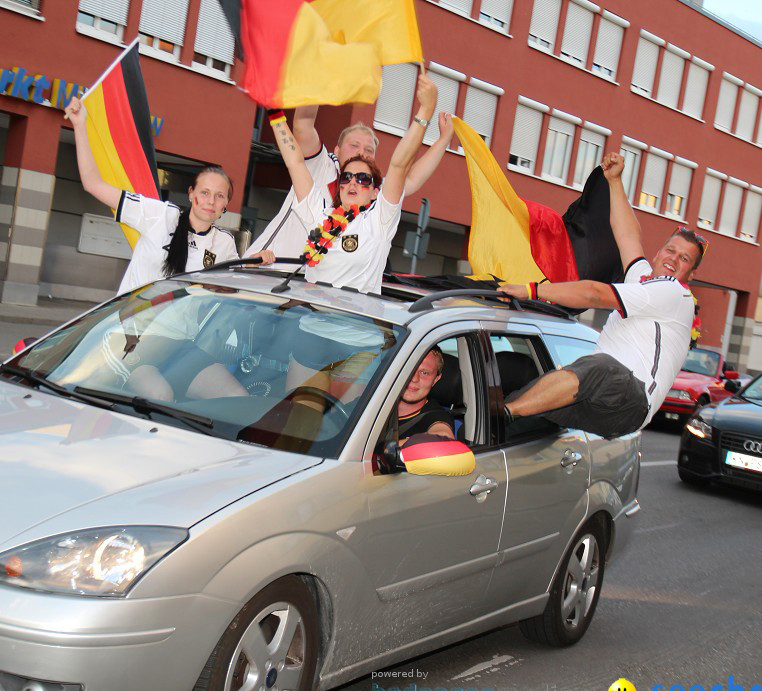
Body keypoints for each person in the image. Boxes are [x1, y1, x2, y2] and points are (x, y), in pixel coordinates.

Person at [500, 152, 701, 438]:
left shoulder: (675, 294)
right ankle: (491, 423)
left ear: (690, 275)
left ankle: (504, 413)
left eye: (685, 259)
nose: (674, 259)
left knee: (601, 367)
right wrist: (615, 181)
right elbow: (627, 235)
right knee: (523, 376)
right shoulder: (641, 278)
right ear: (658, 252)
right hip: (596, 400)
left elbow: (595, 294)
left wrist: (532, 290)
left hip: (632, 400)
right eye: (671, 250)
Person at [267, 68, 437, 400]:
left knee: (343, 426)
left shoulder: (380, 220)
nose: (353, 184)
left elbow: (401, 164)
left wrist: (424, 113)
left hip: (357, 341)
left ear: (375, 191)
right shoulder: (320, 213)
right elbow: (294, 161)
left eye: (363, 180)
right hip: (311, 334)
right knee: (298, 417)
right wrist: (274, 112)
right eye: (346, 178)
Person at [65, 95, 274, 295]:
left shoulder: (223, 243)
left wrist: (254, 261)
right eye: (205, 192)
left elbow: (233, 284)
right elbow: (93, 184)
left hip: (180, 332)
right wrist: (80, 125)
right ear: (191, 194)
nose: (211, 201)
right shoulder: (159, 215)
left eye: (220, 196)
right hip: (130, 327)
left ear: (225, 205)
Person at [246, 104, 454, 263]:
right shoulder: (320, 165)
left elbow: (411, 178)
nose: (361, 153)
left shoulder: (374, 192)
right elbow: (302, 126)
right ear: (336, 151)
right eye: (354, 146)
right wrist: (316, 76)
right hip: (265, 268)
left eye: (369, 150)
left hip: (310, 292)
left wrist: (444, 140)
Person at [398, 348, 454, 440]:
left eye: (424, 373)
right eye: (409, 369)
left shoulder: (436, 416)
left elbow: (443, 437)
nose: (414, 378)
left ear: (435, 380)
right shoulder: (375, 404)